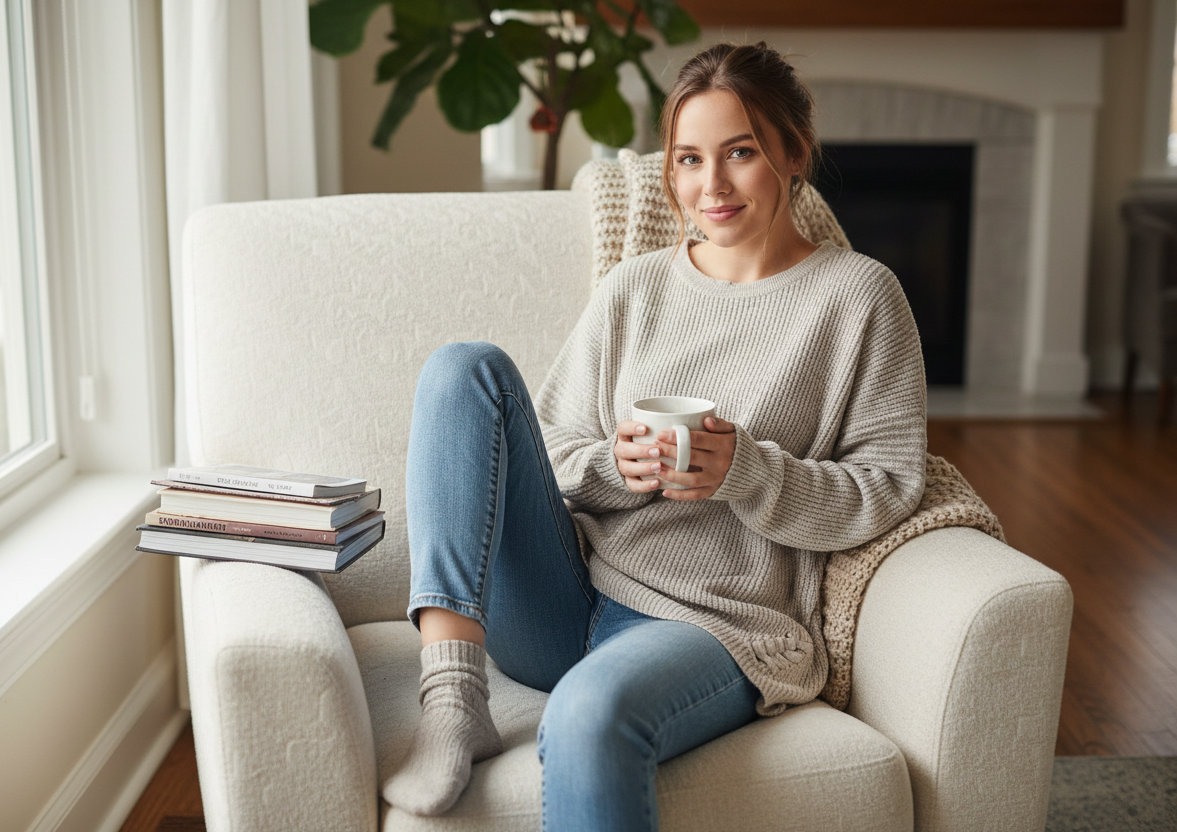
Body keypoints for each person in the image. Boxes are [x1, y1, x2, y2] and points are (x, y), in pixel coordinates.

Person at [381, 41, 928, 830]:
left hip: (714, 626)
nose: (712, 186)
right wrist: (615, 465)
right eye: (689, 159)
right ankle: (453, 698)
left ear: (793, 153)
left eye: (740, 153)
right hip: (568, 597)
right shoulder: (633, 287)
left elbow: (889, 487)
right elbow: (550, 446)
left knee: (588, 714)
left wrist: (749, 471)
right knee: (463, 369)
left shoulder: (859, 297)